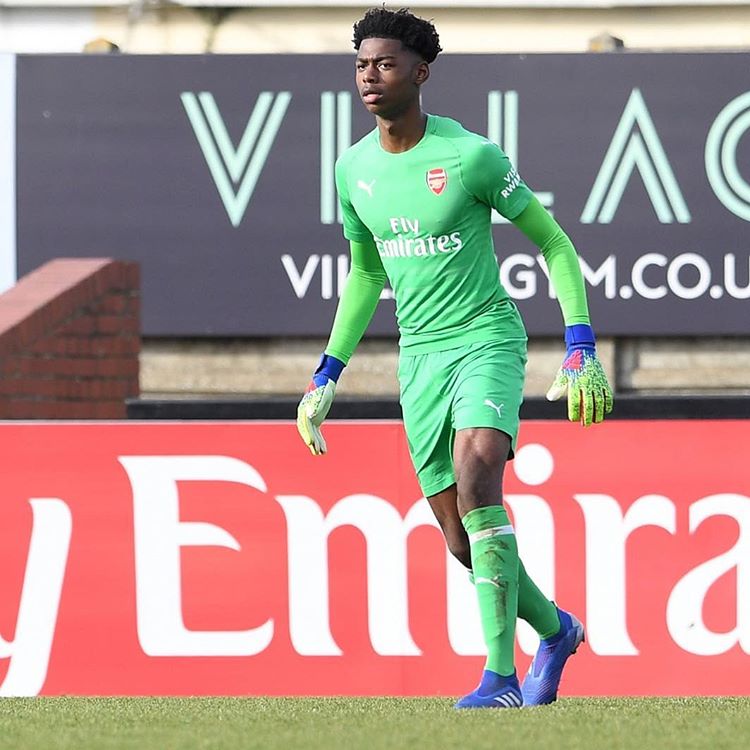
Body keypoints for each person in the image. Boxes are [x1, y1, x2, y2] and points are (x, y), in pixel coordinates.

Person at [296, 6, 613, 709]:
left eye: (384, 64)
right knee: (466, 541)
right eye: (360, 65)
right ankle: (556, 631)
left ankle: (498, 679)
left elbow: (555, 244)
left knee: (478, 474)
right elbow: (368, 275)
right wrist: (328, 371)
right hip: (421, 361)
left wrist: (580, 343)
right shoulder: (353, 168)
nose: (369, 77)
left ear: (420, 72)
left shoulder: (470, 156)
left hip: (485, 339)